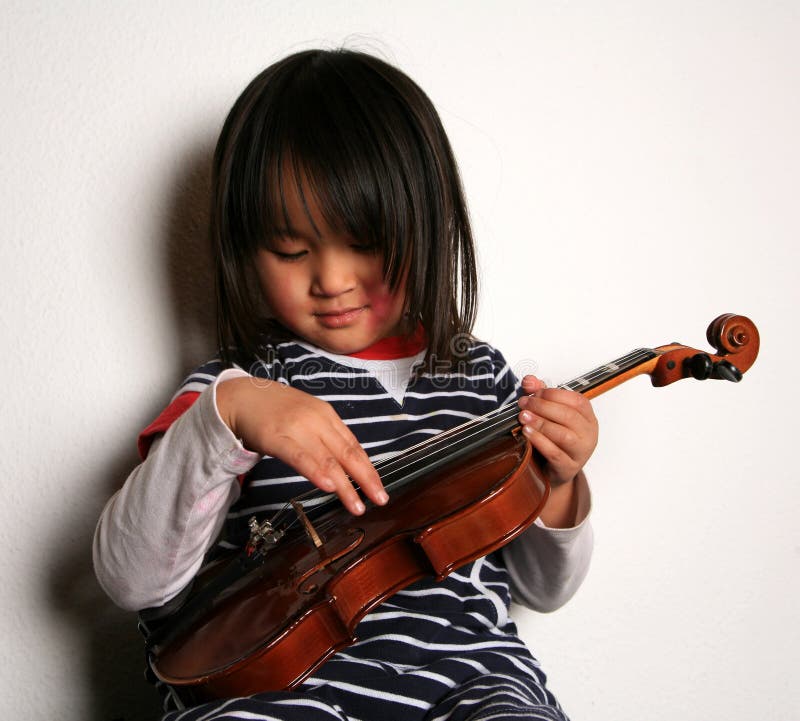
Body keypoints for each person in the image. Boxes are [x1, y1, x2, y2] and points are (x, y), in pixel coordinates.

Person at [93, 48, 598, 721]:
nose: (331, 279)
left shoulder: (484, 382)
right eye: (291, 249)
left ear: (424, 222)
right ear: (244, 247)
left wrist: (561, 480)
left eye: (364, 241)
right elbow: (131, 579)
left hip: (469, 681)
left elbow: (544, 588)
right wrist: (228, 416)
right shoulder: (241, 388)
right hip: (282, 690)